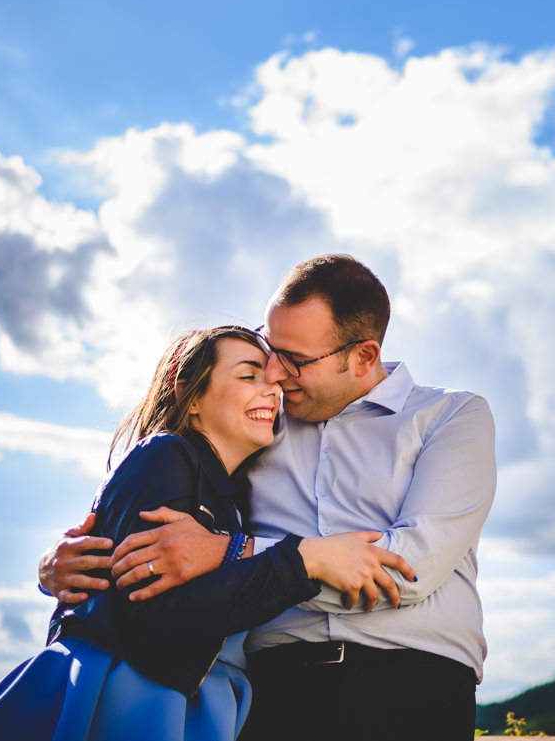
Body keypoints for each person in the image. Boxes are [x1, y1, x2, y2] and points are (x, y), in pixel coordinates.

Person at [41, 255, 497, 741]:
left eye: (295, 360)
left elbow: (410, 567)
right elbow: (170, 495)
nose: (276, 373)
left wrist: (231, 553)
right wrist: (65, 560)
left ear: (363, 357)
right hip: (273, 692)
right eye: (270, 347)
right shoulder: (261, 422)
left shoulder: (451, 416)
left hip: (413, 685)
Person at [0, 325, 415, 741]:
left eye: (275, 380)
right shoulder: (164, 455)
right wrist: (304, 561)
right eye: (248, 376)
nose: (273, 390)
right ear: (190, 393)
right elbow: (158, 613)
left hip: (192, 707)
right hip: (115, 701)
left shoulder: (237, 497)